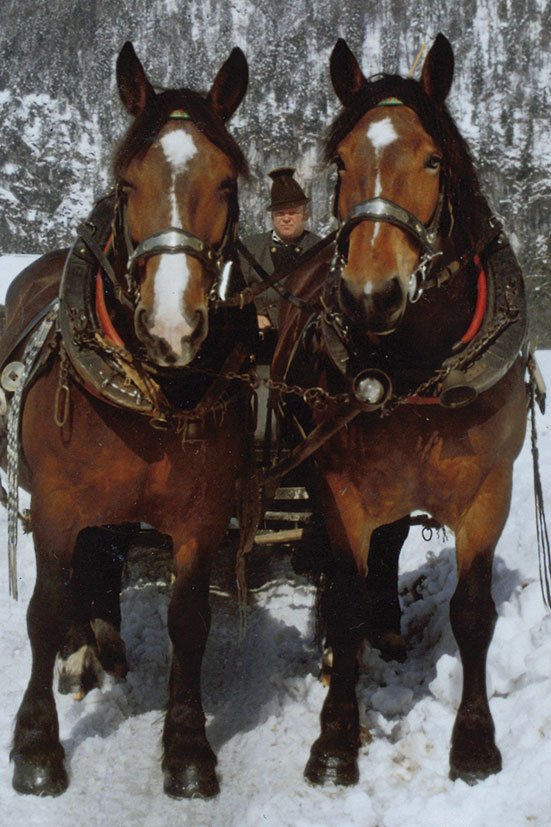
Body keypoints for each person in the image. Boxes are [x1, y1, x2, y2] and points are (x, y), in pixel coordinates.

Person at [241, 167, 320, 330]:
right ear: (272, 217)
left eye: (293, 212)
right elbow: (236, 293)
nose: (286, 218)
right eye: (280, 213)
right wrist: (255, 314)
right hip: (259, 334)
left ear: (305, 215)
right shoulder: (250, 247)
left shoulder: (320, 249)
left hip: (304, 334)